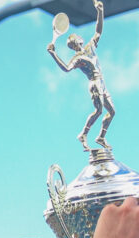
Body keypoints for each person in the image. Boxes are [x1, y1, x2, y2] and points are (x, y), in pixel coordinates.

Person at [47, 0, 115, 151]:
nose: (80, 37)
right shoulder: (77, 58)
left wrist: (100, 12)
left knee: (112, 112)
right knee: (98, 111)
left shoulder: (90, 47)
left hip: (102, 83)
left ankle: (101, 137)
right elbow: (66, 68)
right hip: (95, 84)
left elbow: (98, 31)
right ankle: (83, 134)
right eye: (77, 37)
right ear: (75, 42)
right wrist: (53, 54)